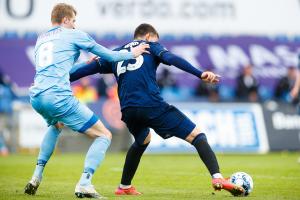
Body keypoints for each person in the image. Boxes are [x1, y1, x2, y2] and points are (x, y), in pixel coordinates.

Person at [69, 23, 245, 196]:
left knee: (142, 139)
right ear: (148, 36)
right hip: (150, 105)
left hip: (128, 110)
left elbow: (83, 71)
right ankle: (217, 177)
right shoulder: (150, 45)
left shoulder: (115, 52)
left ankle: (124, 186)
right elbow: (172, 59)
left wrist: (57, 79)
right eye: (155, 39)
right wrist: (199, 73)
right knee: (197, 136)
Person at [24, 3, 149, 199]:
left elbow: (58, 69)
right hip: (58, 96)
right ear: (65, 20)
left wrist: (84, 64)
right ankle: (84, 183)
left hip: (37, 96)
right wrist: (133, 53)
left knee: (56, 125)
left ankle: (35, 177)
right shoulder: (74, 33)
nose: (74, 24)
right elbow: (109, 55)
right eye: (73, 20)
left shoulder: (42, 38)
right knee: (104, 135)